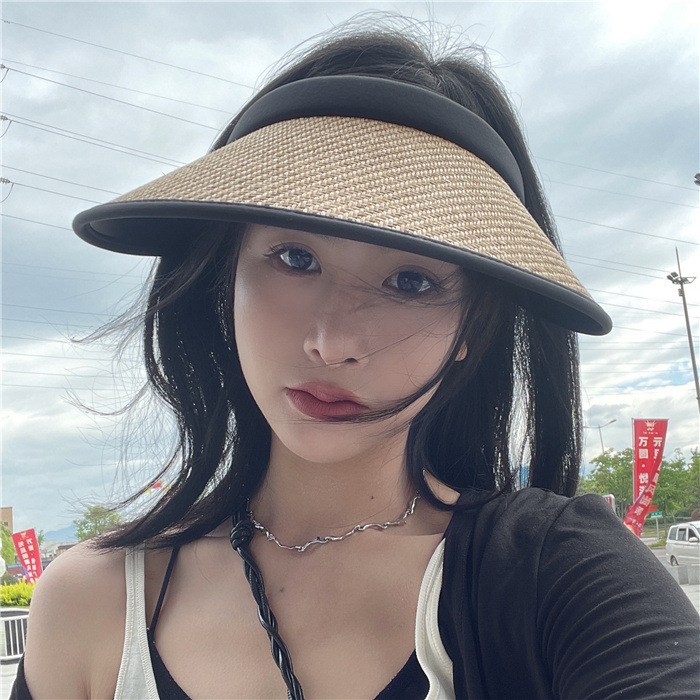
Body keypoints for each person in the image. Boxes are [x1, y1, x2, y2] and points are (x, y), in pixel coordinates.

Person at [13, 19, 699, 700]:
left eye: (411, 282)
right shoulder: (93, 603)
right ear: (227, 276)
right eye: (295, 257)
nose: (332, 341)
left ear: (473, 328)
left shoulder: (556, 574)